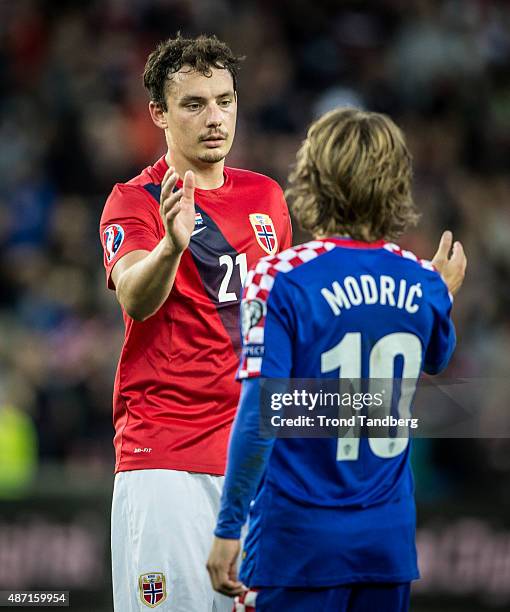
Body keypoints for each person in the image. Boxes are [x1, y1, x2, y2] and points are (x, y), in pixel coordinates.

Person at [207, 108, 467, 611]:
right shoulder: (421, 281)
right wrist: (441, 293)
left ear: (312, 179)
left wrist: (227, 526)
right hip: (386, 545)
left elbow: (260, 413)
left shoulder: (280, 278)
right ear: (395, 185)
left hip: (296, 545)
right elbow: (439, 356)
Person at [99, 34, 292, 611]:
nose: (216, 118)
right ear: (158, 113)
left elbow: (278, 326)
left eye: (225, 100)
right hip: (166, 462)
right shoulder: (134, 201)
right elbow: (135, 296)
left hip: (253, 464)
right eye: (194, 104)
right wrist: (171, 248)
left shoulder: (267, 198)